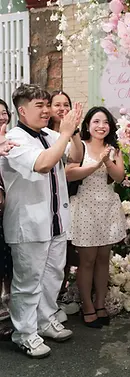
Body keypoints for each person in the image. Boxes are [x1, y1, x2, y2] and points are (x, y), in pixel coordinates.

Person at [1, 84, 82, 358]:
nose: (47, 110)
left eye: (47, 105)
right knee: (27, 282)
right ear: (22, 111)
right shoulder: (13, 140)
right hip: (29, 224)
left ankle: (45, 321)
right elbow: (44, 164)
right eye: (40, 106)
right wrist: (66, 133)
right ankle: (23, 333)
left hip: (56, 220)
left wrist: (73, 132)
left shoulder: (50, 134)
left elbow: (76, 158)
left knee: (52, 276)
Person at [66, 107, 126, 328]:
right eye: (96, 121)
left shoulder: (115, 149)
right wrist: (95, 164)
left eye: (105, 122)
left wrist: (108, 161)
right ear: (88, 125)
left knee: (103, 259)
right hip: (86, 207)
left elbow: (119, 178)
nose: (101, 126)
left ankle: (100, 304)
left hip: (108, 207)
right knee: (87, 261)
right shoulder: (80, 146)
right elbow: (69, 172)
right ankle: (87, 306)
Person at [48, 90, 81, 320]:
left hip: (70, 200)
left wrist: (74, 132)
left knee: (66, 254)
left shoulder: (69, 134)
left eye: (66, 104)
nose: (62, 108)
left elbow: (76, 157)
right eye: (57, 104)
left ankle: (58, 298)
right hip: (49, 201)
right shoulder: (47, 134)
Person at [0, 100, 12, 322]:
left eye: (4, 112)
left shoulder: (13, 139)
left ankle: (9, 305)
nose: (2, 116)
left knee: (8, 260)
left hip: (8, 210)